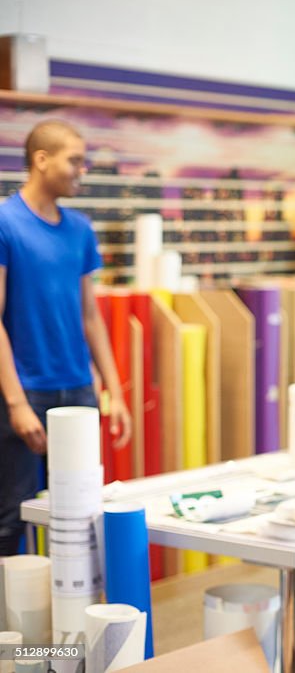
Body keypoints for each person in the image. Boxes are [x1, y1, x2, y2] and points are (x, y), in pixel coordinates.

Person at [0, 120, 131, 555]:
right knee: (12, 518)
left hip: (77, 390)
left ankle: (73, 619)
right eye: (74, 159)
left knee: (79, 515)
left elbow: (90, 316)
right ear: (41, 160)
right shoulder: (6, 222)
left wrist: (114, 389)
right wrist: (16, 403)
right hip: (25, 391)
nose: (82, 170)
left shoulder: (79, 228)